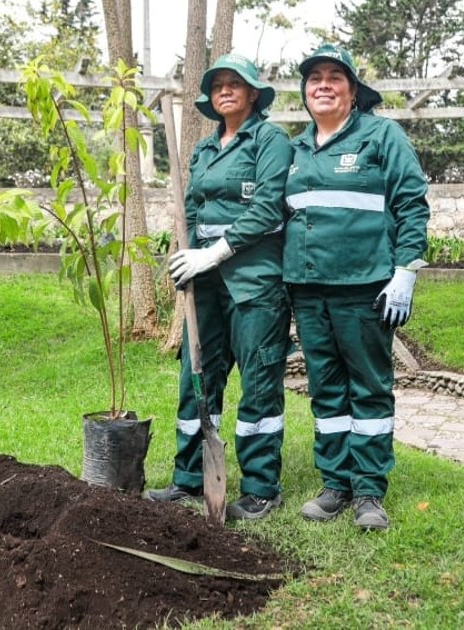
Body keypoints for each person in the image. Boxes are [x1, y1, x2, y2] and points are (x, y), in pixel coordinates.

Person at [283, 44, 431, 531]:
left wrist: (406, 269)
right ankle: (335, 484)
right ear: (305, 93)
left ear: (352, 91)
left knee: (368, 387)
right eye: (313, 79)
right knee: (326, 390)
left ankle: (369, 490)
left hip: (364, 288)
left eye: (334, 78)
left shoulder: (381, 136)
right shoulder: (296, 149)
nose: (322, 85)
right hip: (308, 290)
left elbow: (411, 205)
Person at [145, 53, 294, 521]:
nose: (225, 90)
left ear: (253, 94)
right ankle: (189, 477)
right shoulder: (204, 151)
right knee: (197, 376)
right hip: (204, 285)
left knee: (259, 380)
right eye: (217, 85)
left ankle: (261, 487)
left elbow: (269, 207)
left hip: (255, 282)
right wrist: (187, 257)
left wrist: (216, 251)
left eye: (235, 83)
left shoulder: (270, 141)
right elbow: (190, 208)